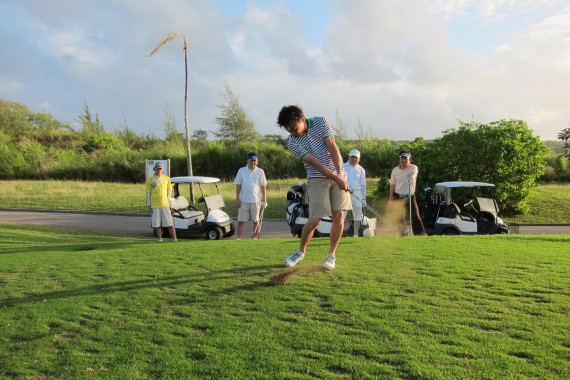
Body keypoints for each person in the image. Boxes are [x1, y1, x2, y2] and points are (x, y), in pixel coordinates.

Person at [277, 105, 351, 270]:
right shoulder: (293, 143)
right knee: (315, 219)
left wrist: (339, 175)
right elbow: (316, 164)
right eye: (289, 130)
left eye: (294, 128)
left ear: (302, 119)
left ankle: (331, 255)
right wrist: (335, 177)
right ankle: (300, 251)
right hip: (317, 178)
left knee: (338, 216)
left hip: (338, 171)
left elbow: (333, 147)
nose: (293, 133)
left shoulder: (321, 122)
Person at [389, 150, 426, 235]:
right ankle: (403, 234)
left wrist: (412, 178)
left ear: (410, 160)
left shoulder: (413, 167)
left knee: (415, 216)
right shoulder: (395, 170)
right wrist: (391, 196)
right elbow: (392, 184)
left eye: (406, 158)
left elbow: (415, 174)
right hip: (398, 196)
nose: (404, 160)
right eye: (402, 158)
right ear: (399, 159)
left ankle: (420, 234)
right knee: (399, 218)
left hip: (410, 196)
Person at [234, 152, 268, 240]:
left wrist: (264, 200)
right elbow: (238, 185)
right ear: (247, 161)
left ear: (257, 161)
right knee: (241, 220)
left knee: (256, 220)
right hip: (244, 200)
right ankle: (238, 238)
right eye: (251, 161)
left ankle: (255, 237)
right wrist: (237, 198)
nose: (253, 163)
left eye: (255, 161)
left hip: (256, 200)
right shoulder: (241, 170)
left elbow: (263, 186)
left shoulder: (260, 171)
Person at [145, 162, 177, 241]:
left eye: (160, 169)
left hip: (165, 204)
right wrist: (149, 205)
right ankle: (160, 239)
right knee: (157, 224)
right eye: (158, 168)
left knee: (169, 223)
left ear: (162, 170)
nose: (159, 170)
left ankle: (174, 239)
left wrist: (169, 197)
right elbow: (148, 193)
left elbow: (170, 188)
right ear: (154, 169)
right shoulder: (150, 180)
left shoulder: (166, 178)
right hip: (155, 205)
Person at [344, 149, 367, 237]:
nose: (354, 159)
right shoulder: (343, 166)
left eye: (356, 158)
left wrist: (364, 198)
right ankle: (339, 234)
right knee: (342, 214)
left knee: (357, 215)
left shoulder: (361, 170)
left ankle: (355, 235)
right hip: (345, 192)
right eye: (352, 157)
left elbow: (363, 185)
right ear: (349, 157)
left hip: (357, 193)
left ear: (359, 159)